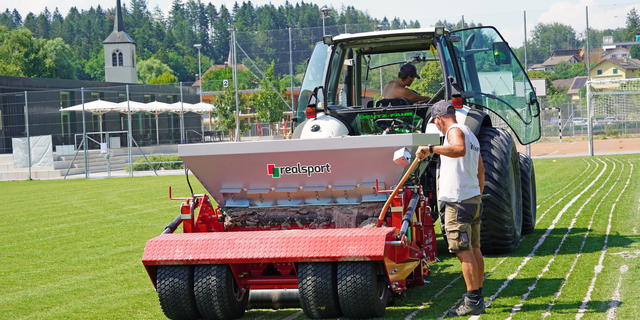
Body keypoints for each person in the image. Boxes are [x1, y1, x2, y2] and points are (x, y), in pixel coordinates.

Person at [415, 101, 486, 317]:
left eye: (435, 123)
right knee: (474, 250)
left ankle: (472, 301)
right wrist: (477, 195)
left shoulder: (454, 131)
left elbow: (458, 149)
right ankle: (478, 298)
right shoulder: (471, 134)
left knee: (464, 253)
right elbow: (480, 170)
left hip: (458, 201)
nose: (437, 126)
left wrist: (430, 149)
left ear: (438, 119)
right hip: (472, 200)